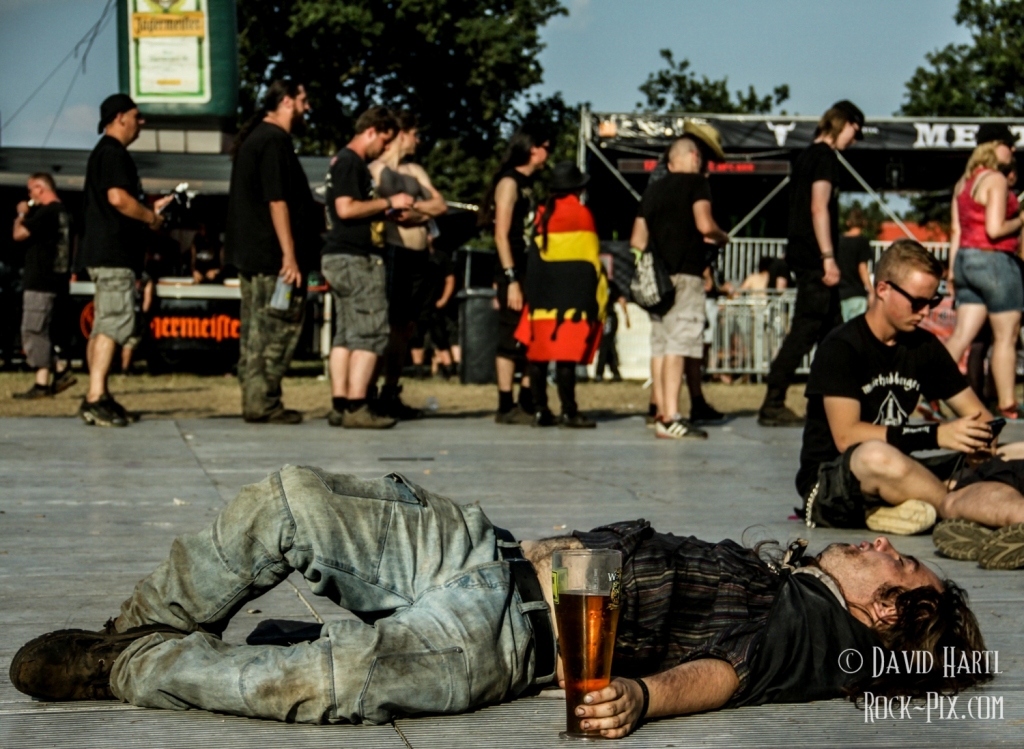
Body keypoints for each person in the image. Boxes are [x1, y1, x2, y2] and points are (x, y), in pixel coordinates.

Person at [11, 466, 988, 735]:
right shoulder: (797, 575)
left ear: (882, 617)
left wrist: (645, 698)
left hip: (505, 634)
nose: (879, 544)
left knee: (336, 679)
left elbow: (726, 674)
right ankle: (135, 623)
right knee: (291, 500)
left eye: (900, 570)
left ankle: (132, 663)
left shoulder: (814, 631)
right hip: (488, 553)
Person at [797, 239, 1024, 569]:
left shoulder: (923, 346)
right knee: (876, 455)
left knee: (1017, 450)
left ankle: (950, 507)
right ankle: (955, 508)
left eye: (931, 302)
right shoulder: (841, 347)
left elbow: (979, 415)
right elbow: (846, 437)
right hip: (833, 484)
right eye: (917, 302)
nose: (926, 312)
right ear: (883, 288)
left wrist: (981, 439)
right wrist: (937, 436)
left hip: (903, 465)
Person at [759, 101, 864, 427]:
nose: (854, 140)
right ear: (844, 123)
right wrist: (828, 258)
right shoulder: (824, 158)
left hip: (804, 254)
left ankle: (824, 402)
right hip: (815, 259)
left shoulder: (804, 156)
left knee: (832, 332)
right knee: (806, 329)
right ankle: (773, 401)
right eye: (854, 132)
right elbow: (820, 208)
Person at [225, 80, 318, 425]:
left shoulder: (255, 140)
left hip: (255, 257)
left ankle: (257, 401)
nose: (307, 108)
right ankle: (263, 401)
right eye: (304, 100)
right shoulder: (274, 141)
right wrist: (289, 256)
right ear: (287, 102)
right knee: (276, 330)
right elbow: (276, 200)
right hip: (273, 261)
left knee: (254, 333)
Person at [77, 94, 173, 427]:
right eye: (137, 115)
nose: (141, 122)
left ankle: (97, 394)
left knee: (105, 324)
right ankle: (94, 397)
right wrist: (150, 217)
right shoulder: (114, 153)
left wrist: (148, 207)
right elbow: (118, 198)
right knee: (115, 323)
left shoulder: (103, 154)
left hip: (103, 253)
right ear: (119, 118)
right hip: (114, 254)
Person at [630, 127, 730, 439]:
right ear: (694, 157)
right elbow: (704, 224)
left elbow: (637, 239)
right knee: (679, 344)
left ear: (670, 163)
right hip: (685, 275)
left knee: (660, 345)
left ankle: (660, 410)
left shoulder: (652, 190)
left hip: (657, 279)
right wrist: (721, 235)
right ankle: (671, 416)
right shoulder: (697, 183)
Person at [321, 107, 407, 429]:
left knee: (346, 334)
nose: (385, 150)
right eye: (385, 141)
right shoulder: (351, 162)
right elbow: (346, 208)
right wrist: (389, 202)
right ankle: (358, 406)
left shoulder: (340, 161)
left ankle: (340, 404)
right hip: (355, 258)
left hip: (337, 256)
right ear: (371, 130)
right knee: (371, 332)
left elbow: (352, 210)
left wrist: (379, 214)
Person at [514, 162, 607, 428]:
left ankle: (541, 410)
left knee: (539, 355)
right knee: (566, 355)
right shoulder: (583, 214)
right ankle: (569, 411)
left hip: (542, 297)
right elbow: (590, 261)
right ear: (579, 189)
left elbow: (533, 258)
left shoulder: (542, 214)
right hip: (573, 300)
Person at [369, 111, 448, 419]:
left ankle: (392, 388)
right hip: (394, 250)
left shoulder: (415, 170)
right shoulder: (376, 168)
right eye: (416, 134)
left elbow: (439, 205)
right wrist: (414, 210)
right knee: (388, 324)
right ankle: (371, 390)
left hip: (419, 254)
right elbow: (386, 210)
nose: (418, 140)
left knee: (406, 326)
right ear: (402, 133)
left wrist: (415, 210)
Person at [941, 125, 1022, 420]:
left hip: (965, 260)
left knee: (961, 335)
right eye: (1008, 144)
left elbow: (956, 229)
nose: (1012, 150)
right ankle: (1007, 404)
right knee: (1006, 336)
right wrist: (1021, 219)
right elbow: (995, 228)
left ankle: (932, 390)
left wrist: (951, 271)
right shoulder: (997, 179)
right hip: (995, 261)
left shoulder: (964, 183)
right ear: (994, 146)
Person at [480, 126, 550, 424]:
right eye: (546, 146)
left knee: (531, 334)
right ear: (532, 148)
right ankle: (505, 405)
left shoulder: (530, 183)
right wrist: (510, 279)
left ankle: (525, 400)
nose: (548, 153)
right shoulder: (509, 181)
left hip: (532, 267)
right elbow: (501, 234)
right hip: (514, 268)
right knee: (511, 334)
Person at [10, 172, 76, 399]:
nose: (29, 195)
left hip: (40, 280)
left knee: (32, 329)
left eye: (30, 190)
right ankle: (44, 380)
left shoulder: (46, 213)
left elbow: (19, 234)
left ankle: (58, 370)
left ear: (40, 188)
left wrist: (21, 214)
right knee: (42, 331)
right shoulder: (65, 213)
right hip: (57, 280)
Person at [837, 207, 874, 321]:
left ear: (848, 222)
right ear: (864, 222)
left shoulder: (838, 241)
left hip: (839, 293)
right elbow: (862, 269)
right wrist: (871, 291)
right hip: (856, 293)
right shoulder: (862, 242)